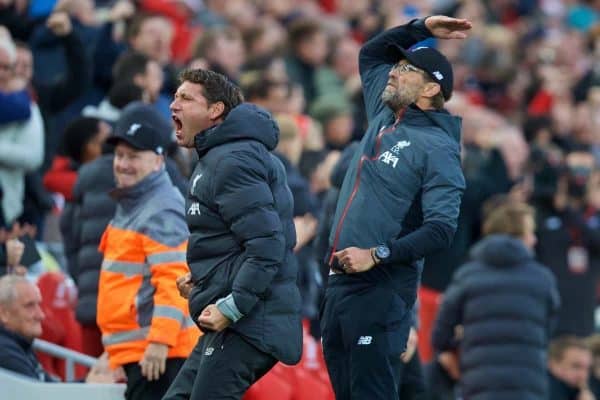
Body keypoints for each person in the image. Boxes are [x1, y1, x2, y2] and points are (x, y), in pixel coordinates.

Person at [319, 15, 471, 399]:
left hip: (381, 289)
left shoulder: (439, 149)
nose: (394, 73)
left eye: (406, 70)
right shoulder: (385, 115)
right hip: (338, 285)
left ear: (429, 89)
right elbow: (372, 54)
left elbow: (441, 230)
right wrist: (420, 28)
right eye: (399, 65)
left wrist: (377, 254)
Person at [163, 68, 302, 399]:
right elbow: (235, 243)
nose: (173, 105)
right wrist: (203, 278)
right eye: (174, 96)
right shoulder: (218, 157)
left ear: (215, 111)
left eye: (186, 98)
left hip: (250, 319)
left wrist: (232, 306)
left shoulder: (233, 159)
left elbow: (267, 244)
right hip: (237, 315)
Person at [96, 122, 199, 400]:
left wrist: (159, 342)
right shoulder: (135, 202)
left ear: (158, 161)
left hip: (159, 356)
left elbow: (174, 280)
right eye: (119, 155)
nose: (123, 164)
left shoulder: (161, 209)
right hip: (143, 351)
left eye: (133, 156)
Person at [431, 202, 560, 400]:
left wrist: (462, 343)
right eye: (530, 232)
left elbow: (440, 335)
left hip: (479, 384)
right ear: (516, 235)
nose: (534, 240)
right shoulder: (543, 278)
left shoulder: (467, 275)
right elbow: (548, 330)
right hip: (528, 385)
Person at [0, 275, 115, 383]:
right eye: (29, 306)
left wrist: (89, 381)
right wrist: (90, 384)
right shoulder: (6, 352)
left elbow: (49, 388)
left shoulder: (20, 345)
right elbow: (40, 395)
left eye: (39, 305)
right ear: (4, 313)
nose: (41, 315)